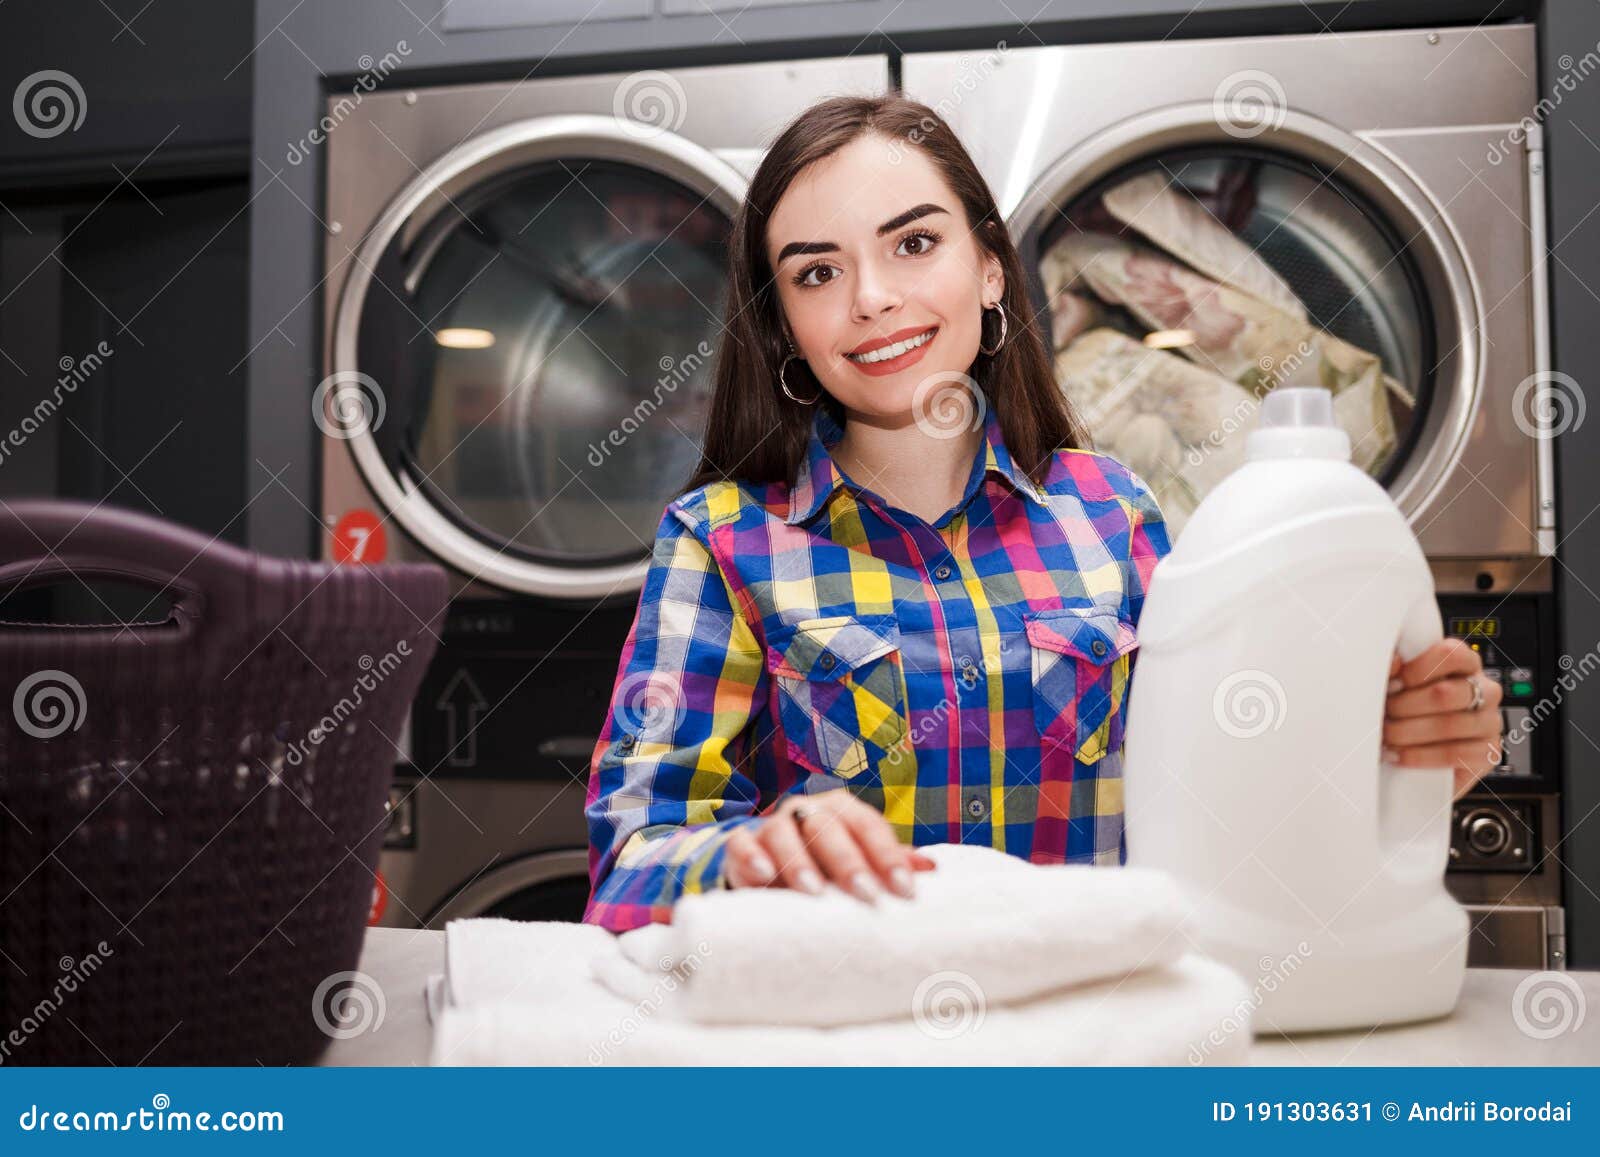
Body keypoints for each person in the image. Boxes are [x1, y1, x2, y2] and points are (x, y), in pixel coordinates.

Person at [581, 94, 1503, 933]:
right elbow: (628, 863)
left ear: (990, 268)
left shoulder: (1116, 514)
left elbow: (1237, 805)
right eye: (817, 273)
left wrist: (1392, 757)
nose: (871, 299)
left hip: (1102, 1051)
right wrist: (744, 859)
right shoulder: (721, 541)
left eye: (913, 244)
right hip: (856, 1057)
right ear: (782, 323)